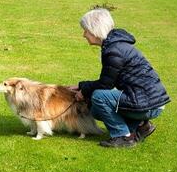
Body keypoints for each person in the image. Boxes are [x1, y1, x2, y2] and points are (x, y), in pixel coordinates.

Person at [70, 8, 170, 148]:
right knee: (95, 107)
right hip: (151, 101)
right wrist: (82, 86)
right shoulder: (115, 45)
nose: (84, 34)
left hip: (148, 104)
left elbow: (105, 85)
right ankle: (141, 126)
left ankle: (124, 136)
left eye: (85, 30)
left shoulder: (113, 50)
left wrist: (84, 90)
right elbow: (108, 79)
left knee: (98, 97)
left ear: (94, 30)